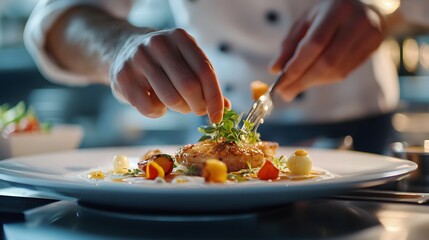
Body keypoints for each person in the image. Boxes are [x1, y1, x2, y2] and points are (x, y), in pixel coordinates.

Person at [24, 0, 428, 154]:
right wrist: (116, 45)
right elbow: (51, 22)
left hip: (362, 139)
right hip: (213, 135)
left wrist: (383, 16)